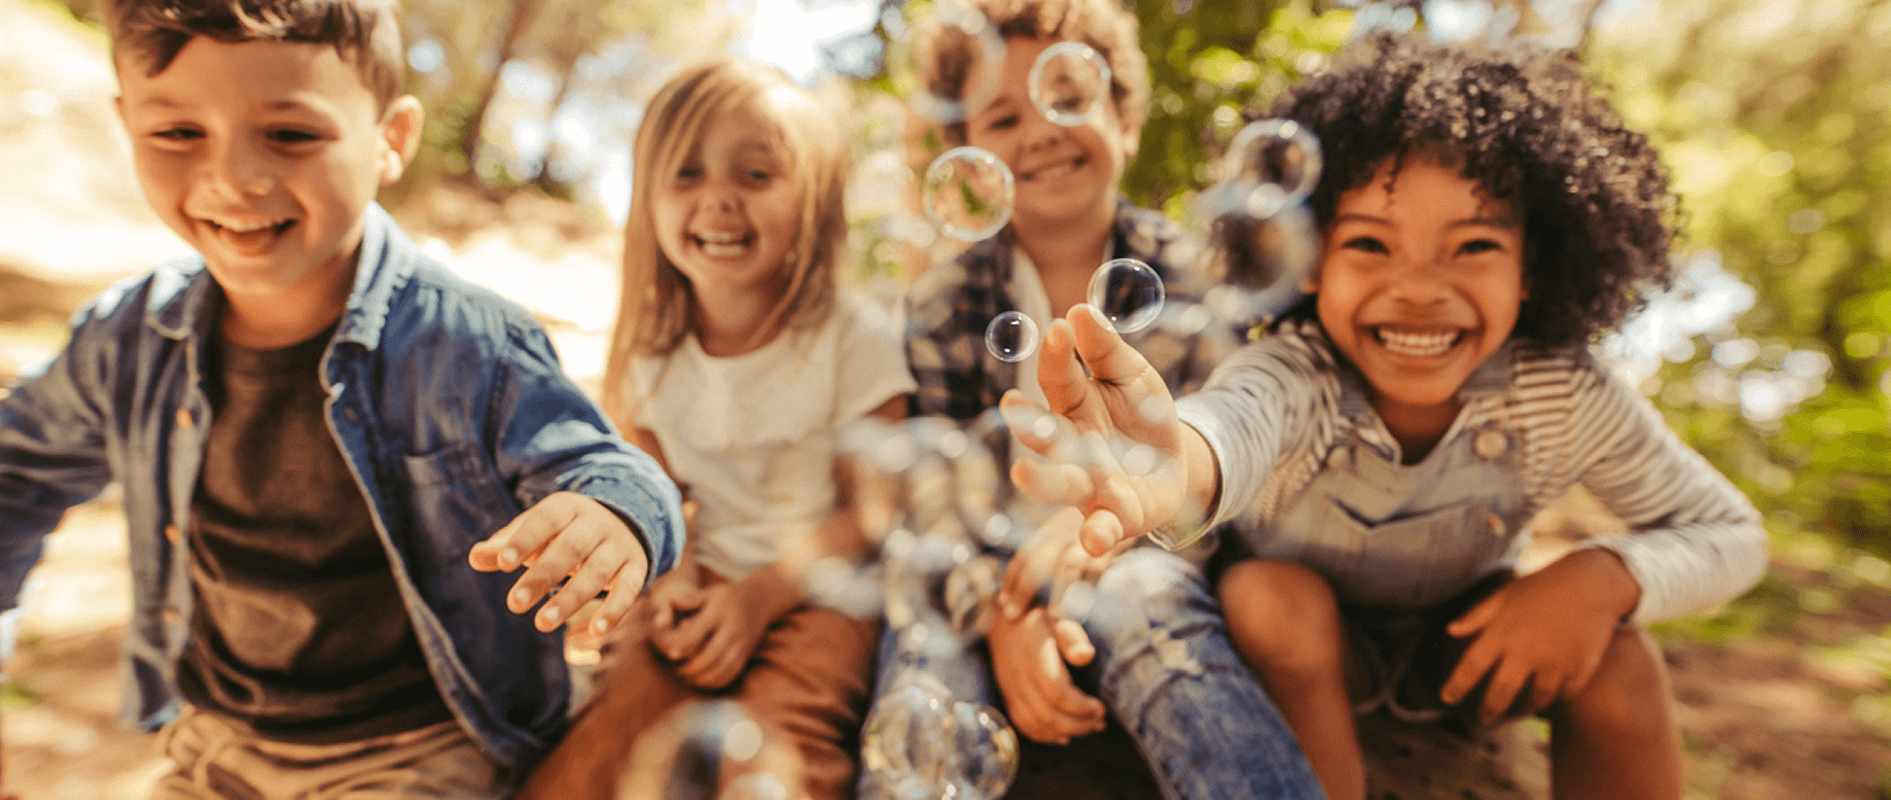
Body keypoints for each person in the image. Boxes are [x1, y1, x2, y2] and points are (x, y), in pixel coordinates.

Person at [1005, 32, 1768, 800]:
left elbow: (1732, 534)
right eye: (1371, 243)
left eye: (1472, 245)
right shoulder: (1298, 372)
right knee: (1270, 595)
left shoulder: (1561, 394)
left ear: (1532, 268)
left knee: (1623, 656)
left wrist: (1605, 577)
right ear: (1308, 259)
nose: (1418, 288)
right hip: (1301, 652)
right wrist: (1172, 461)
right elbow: (1232, 424)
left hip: (1467, 647)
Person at [0, 1, 687, 797]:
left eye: (291, 135)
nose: (233, 178)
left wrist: (617, 516)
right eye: (178, 133)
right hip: (219, 744)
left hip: (418, 751)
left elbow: (607, 468)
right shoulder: (128, 339)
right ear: (126, 121)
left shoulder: (470, 342)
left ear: (392, 140)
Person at [877, 0, 1325, 798]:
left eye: (1070, 97)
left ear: (1124, 120)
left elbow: (1195, 480)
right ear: (969, 157)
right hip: (975, 571)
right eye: (1004, 116)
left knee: (1157, 619)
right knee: (922, 659)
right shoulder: (943, 303)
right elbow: (933, 492)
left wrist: (1078, 570)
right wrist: (1005, 612)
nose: (1042, 131)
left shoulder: (1191, 278)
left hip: (1134, 558)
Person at [515, 58, 914, 800]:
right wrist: (681, 578)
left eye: (756, 176)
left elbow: (872, 509)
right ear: (648, 200)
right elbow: (658, 494)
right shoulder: (651, 358)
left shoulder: (851, 336)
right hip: (701, 592)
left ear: (815, 201)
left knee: (776, 754)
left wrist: (759, 599)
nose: (718, 202)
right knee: (602, 748)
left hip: (819, 596)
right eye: (686, 175)